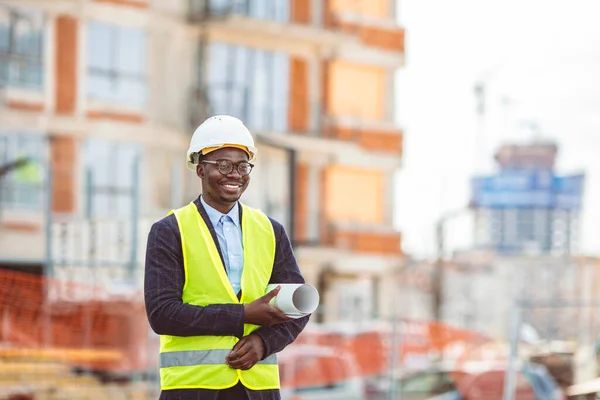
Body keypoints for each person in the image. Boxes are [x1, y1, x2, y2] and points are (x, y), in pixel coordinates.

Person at [144, 115, 310, 400]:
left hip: (258, 389)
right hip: (191, 389)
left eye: (243, 165)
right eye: (223, 165)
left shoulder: (271, 230)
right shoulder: (170, 231)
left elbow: (297, 307)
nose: (235, 173)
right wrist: (243, 315)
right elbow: (162, 314)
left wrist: (263, 342)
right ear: (200, 170)